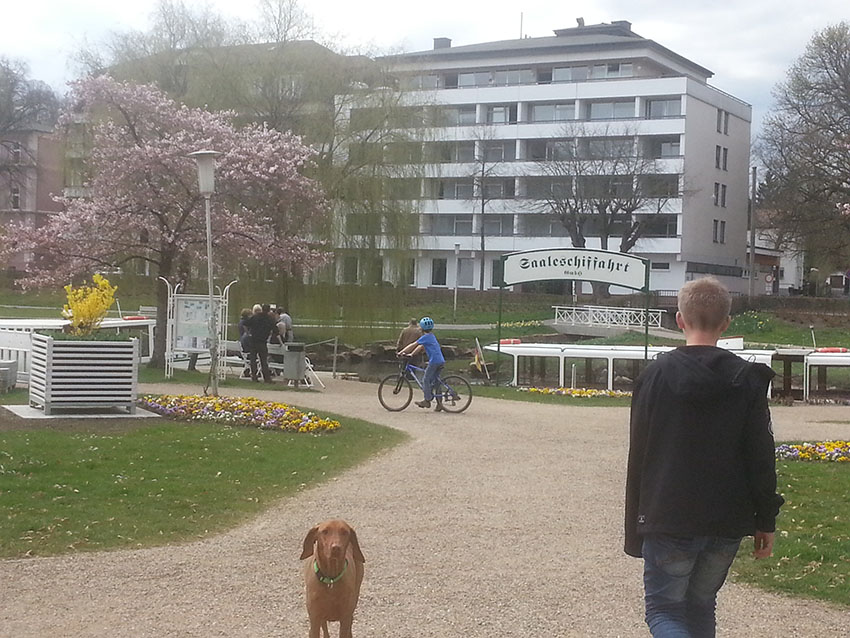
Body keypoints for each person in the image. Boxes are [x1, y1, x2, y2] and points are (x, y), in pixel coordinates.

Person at [624, 277, 784, 637]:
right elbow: (761, 456)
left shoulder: (655, 377)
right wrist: (766, 519)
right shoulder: (747, 380)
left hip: (668, 514)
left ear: (679, 320)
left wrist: (636, 527)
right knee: (701, 606)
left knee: (664, 611)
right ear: (726, 324)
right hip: (725, 519)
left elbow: (641, 456)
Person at [397, 316, 446, 412]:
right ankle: (439, 404)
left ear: (422, 328)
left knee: (425, 379)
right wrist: (411, 354)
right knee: (436, 382)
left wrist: (401, 352)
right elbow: (420, 347)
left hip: (434, 362)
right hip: (440, 361)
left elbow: (413, 345)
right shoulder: (431, 336)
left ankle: (427, 400)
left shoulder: (425, 337)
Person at [243, 303, 277, 383]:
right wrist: (269, 333)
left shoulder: (255, 317)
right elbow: (276, 330)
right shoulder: (270, 319)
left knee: (253, 359)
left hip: (253, 340)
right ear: (268, 310)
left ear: (262, 309)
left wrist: (248, 333)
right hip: (262, 341)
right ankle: (266, 378)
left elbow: (245, 323)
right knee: (263, 360)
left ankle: (254, 376)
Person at [237, 307, 252, 378]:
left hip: (242, 341)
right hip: (246, 342)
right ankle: (249, 370)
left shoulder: (240, 322)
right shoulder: (245, 323)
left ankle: (247, 369)